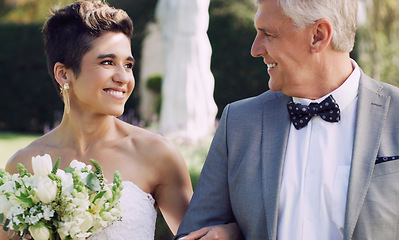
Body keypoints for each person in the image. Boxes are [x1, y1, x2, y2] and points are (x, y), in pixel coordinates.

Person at [0, 1, 240, 239]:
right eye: (107, 62)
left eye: (128, 65)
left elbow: (200, 236)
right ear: (64, 74)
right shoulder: (23, 166)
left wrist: (230, 231)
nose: (123, 77)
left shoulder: (156, 154)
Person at [175, 0, 399, 239]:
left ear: (318, 36)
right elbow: (193, 234)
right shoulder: (238, 125)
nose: (255, 49)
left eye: (268, 33)